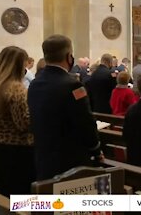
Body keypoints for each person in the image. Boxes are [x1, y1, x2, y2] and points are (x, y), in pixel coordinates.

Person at [28, 35, 102, 180]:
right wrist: (96, 148)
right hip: (70, 161)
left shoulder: (35, 83)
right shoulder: (73, 85)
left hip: (44, 156)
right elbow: (85, 121)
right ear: (69, 57)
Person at [0, 46, 35, 196]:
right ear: (18, 65)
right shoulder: (16, 89)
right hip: (15, 150)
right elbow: (24, 124)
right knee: (19, 195)